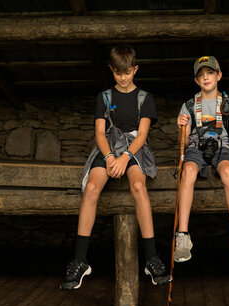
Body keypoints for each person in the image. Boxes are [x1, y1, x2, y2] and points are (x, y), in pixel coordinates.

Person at [61, 45, 171, 291]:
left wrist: (124, 159)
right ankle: (80, 260)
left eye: (127, 72)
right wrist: (110, 157)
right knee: (91, 188)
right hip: (108, 147)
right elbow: (99, 133)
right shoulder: (104, 97)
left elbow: (142, 134)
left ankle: (152, 258)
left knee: (139, 185)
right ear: (111, 70)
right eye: (118, 73)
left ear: (135, 69)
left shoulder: (145, 98)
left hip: (134, 148)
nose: (123, 77)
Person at [174, 56, 229, 265]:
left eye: (209, 73)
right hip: (196, 149)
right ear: (196, 80)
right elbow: (184, 140)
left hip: (222, 149)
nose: (206, 77)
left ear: (219, 75)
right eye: (201, 75)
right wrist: (181, 126)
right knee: (188, 171)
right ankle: (182, 236)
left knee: (228, 172)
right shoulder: (189, 105)